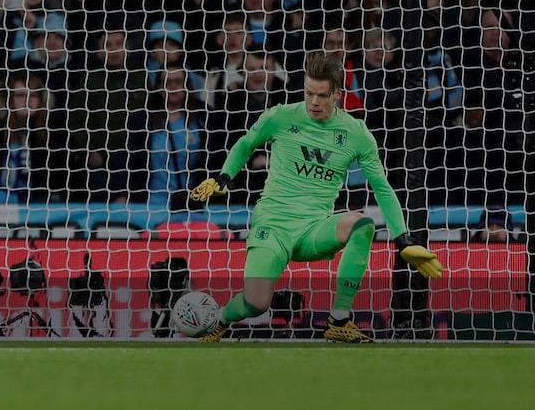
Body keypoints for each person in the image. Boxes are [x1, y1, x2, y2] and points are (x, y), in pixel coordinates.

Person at [189, 52, 444, 344]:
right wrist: (223, 177)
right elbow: (245, 145)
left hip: (313, 229)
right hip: (273, 225)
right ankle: (221, 319)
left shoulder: (356, 133)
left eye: (322, 95)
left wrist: (403, 239)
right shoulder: (280, 116)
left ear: (337, 94)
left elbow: (382, 188)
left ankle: (339, 320)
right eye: (309, 93)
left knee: (362, 225)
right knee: (256, 303)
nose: (314, 102)